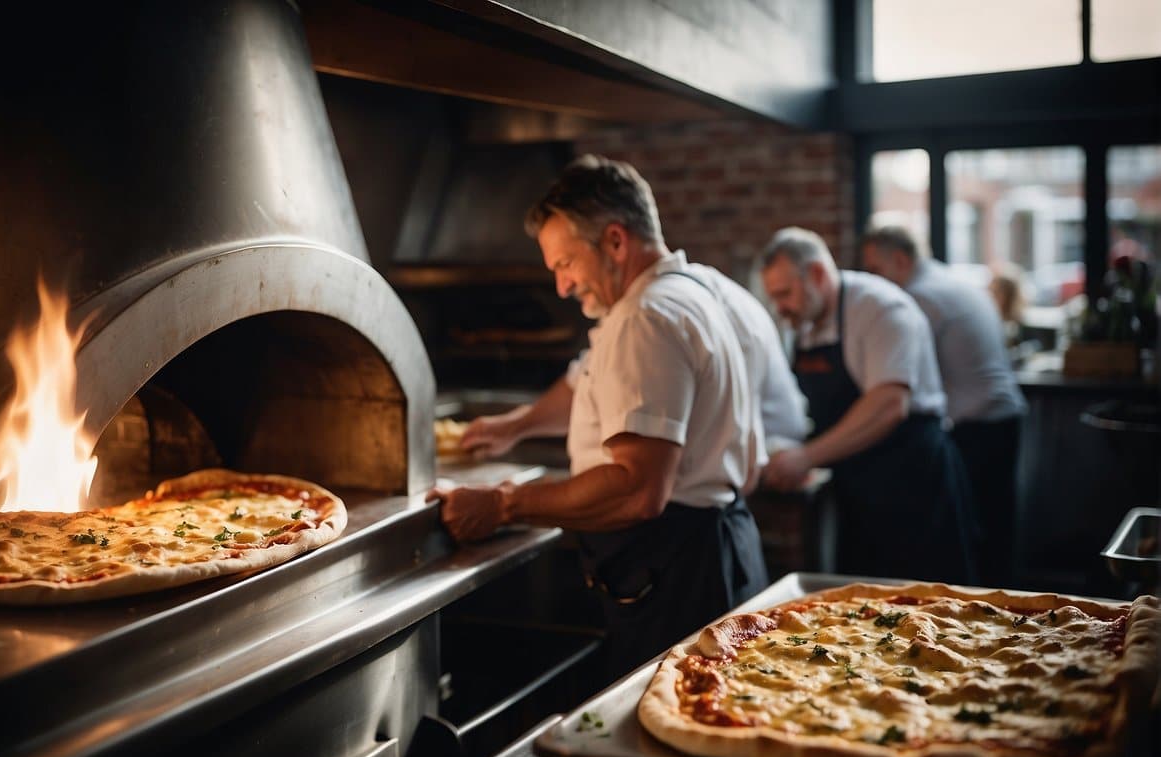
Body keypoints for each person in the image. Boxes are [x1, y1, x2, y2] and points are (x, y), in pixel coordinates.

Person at [428, 155, 768, 681]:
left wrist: (501, 504)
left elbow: (636, 490)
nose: (562, 286)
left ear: (615, 241)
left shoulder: (646, 319)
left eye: (566, 264)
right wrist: (513, 426)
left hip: (676, 568)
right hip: (714, 550)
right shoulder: (692, 292)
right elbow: (588, 380)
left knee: (669, 732)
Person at [759, 227, 975, 585]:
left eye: (784, 294)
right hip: (857, 484)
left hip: (912, 479)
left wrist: (806, 457)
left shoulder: (880, 308)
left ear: (816, 274)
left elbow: (889, 404)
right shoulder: (807, 322)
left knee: (928, 598)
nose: (780, 308)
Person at [860, 227, 1027, 588]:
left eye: (875, 268)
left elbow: (907, 374)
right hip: (1004, 416)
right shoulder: (952, 281)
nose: (873, 281)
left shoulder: (919, 298)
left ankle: (985, 617)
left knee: (970, 535)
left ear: (901, 260)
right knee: (997, 528)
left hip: (977, 425)